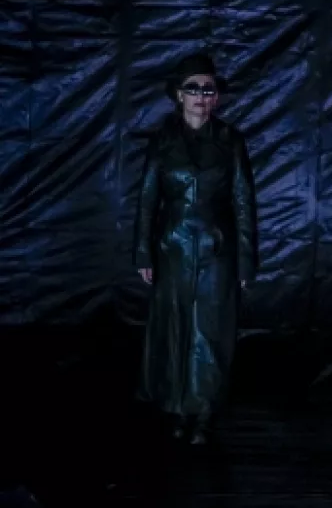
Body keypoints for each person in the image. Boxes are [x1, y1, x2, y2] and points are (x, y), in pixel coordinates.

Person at [133, 52, 257, 445]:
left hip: (217, 250)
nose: (202, 96)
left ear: (216, 97)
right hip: (172, 248)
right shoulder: (162, 142)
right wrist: (143, 253)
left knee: (211, 331)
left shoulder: (231, 141)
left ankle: (202, 412)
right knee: (174, 328)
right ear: (178, 95)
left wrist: (246, 261)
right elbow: (147, 200)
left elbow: (243, 202)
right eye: (194, 88)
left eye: (209, 89)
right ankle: (175, 407)